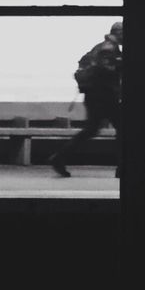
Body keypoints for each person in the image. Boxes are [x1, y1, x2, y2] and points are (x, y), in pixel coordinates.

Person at [49, 20, 122, 177]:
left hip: (96, 96)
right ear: (118, 33)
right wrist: (121, 65)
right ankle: (124, 167)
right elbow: (105, 70)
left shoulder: (102, 47)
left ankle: (59, 158)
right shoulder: (108, 49)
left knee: (91, 130)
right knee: (124, 130)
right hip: (104, 96)